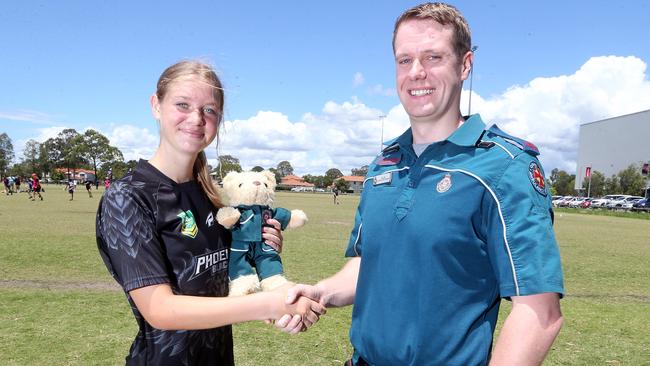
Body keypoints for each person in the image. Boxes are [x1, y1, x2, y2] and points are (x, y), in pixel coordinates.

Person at [278, 3, 564, 365]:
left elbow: (539, 313)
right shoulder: (385, 163)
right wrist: (321, 291)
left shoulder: (504, 167)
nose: (416, 72)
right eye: (404, 60)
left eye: (433, 57)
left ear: (465, 65)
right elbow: (369, 264)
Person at [95, 60, 325, 365]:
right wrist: (266, 304)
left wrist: (260, 248)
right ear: (156, 105)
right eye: (182, 104)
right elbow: (160, 310)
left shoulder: (209, 194)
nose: (196, 118)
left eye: (209, 110)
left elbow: (223, 272)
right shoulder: (127, 197)